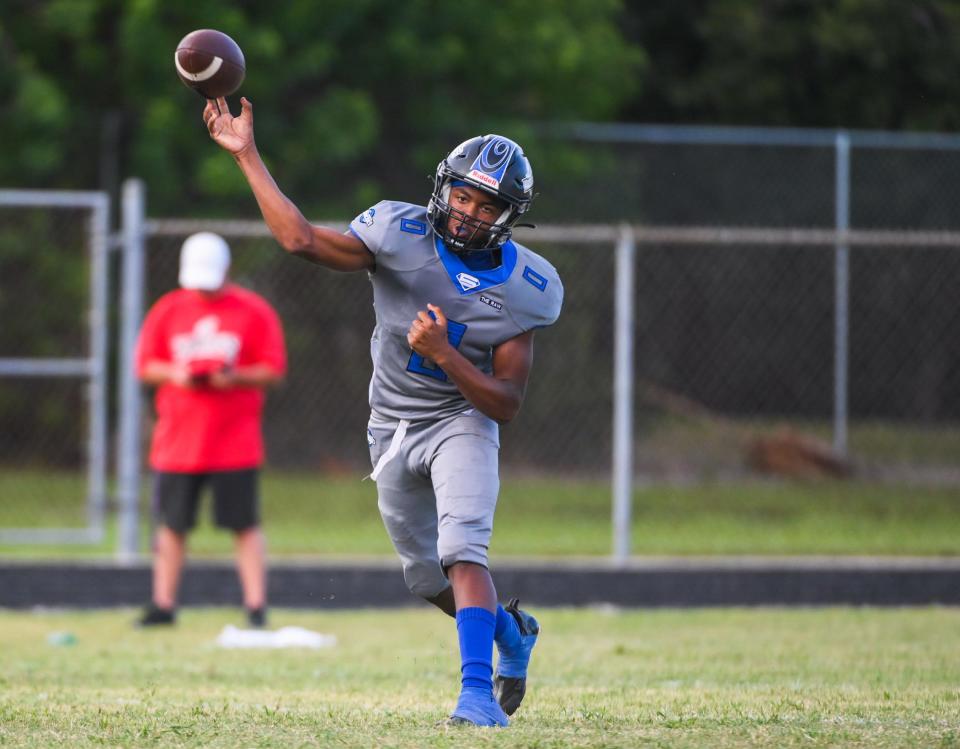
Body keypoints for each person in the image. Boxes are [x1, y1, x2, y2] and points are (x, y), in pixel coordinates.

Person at [203, 95, 562, 727]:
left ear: (509, 217)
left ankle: (476, 695)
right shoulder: (398, 234)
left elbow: (505, 403)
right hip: (393, 425)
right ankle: (510, 632)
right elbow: (299, 239)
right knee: (427, 578)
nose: (469, 214)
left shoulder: (524, 287)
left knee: (463, 549)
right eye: (463, 197)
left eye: (487, 206)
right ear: (443, 190)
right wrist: (247, 155)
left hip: (462, 420)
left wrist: (447, 357)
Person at [135, 231, 287, 629]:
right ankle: (163, 605)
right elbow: (146, 365)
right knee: (171, 525)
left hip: (234, 442)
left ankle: (256, 607)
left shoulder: (253, 311)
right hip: (177, 443)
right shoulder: (168, 309)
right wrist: (177, 374)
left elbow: (273, 369)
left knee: (243, 524)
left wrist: (234, 377)